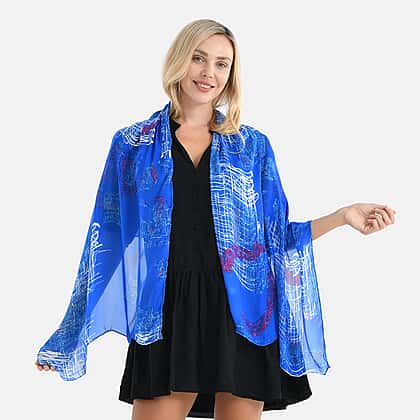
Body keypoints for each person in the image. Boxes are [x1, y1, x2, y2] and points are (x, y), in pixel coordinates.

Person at [35, 18, 396, 420]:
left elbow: (276, 238)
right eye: (198, 58)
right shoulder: (133, 144)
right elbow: (105, 241)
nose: (209, 72)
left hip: (242, 314)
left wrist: (342, 216)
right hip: (167, 312)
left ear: (231, 73)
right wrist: (69, 333)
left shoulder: (251, 146)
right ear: (178, 61)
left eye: (222, 64)